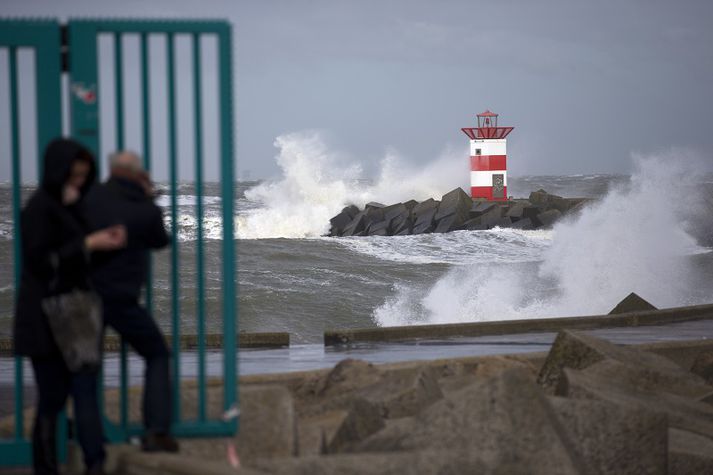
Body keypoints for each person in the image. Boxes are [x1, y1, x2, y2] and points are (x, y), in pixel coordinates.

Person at [13, 138, 127, 475]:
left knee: (77, 392)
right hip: (44, 318)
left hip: (76, 316)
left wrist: (105, 241)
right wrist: (88, 243)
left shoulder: (75, 207)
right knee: (51, 400)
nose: (78, 181)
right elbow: (40, 263)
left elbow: (85, 258)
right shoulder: (38, 209)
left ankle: (93, 462)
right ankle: (45, 467)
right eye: (73, 175)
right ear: (58, 172)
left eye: (83, 175)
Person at [84, 150, 178, 452]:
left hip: (85, 299)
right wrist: (148, 198)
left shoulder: (89, 198)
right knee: (157, 355)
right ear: (140, 175)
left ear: (110, 171)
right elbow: (160, 241)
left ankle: (88, 443)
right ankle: (157, 431)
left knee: (85, 370)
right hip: (122, 301)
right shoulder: (145, 210)